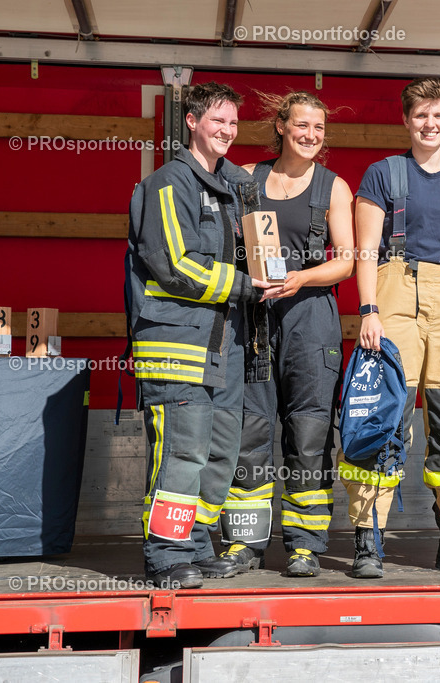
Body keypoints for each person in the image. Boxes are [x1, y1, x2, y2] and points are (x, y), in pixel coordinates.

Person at [125, 82, 282, 589]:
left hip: (226, 344)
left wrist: (268, 273)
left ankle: (193, 541)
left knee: (220, 451)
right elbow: (174, 265)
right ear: (191, 121)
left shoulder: (238, 188)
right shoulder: (170, 183)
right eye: (218, 120)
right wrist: (245, 284)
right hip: (176, 344)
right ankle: (166, 554)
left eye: (233, 123)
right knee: (182, 452)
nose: (227, 131)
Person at [350, 77, 440, 579]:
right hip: (394, 292)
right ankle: (368, 541)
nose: (431, 124)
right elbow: (365, 249)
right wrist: (368, 311)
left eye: (439, 115)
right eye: (421, 115)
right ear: (406, 121)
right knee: (384, 419)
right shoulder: (383, 173)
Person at [218, 91, 355, 577]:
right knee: (248, 433)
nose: (311, 136)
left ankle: (303, 544)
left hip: (310, 319)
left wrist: (299, 278)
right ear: (281, 125)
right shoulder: (246, 178)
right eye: (301, 126)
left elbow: (346, 260)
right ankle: (243, 543)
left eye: (318, 129)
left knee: (309, 434)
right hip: (254, 320)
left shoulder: (333, 187)